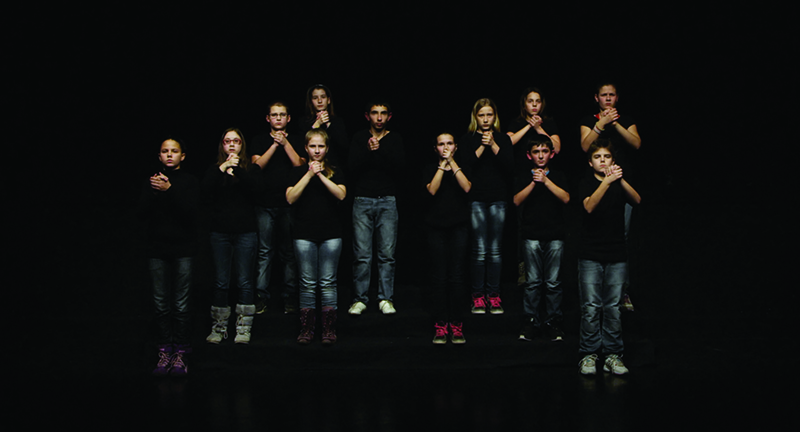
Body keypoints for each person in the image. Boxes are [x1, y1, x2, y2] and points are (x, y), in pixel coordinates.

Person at [577, 139, 641, 376]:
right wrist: (606, 181)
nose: (602, 161)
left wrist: (619, 180)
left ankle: (613, 355)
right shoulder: (586, 183)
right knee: (591, 307)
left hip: (616, 254)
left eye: (606, 157)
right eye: (597, 157)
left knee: (613, 308)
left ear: (613, 160)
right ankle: (589, 354)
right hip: (590, 254)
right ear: (590, 162)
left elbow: (637, 200)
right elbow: (589, 206)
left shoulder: (618, 184)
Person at [138, 138, 199, 376]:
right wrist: (154, 192)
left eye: (174, 151)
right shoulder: (151, 181)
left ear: (183, 156)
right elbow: (141, 213)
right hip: (157, 249)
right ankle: (164, 350)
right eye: (165, 151)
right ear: (159, 156)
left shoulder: (189, 181)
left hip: (183, 249)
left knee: (181, 305)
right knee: (161, 305)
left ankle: (181, 352)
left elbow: (191, 213)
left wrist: (170, 191)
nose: (170, 155)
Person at [580, 82, 642, 312]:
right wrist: (601, 124)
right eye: (603, 95)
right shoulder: (589, 120)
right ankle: (597, 290)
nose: (607, 98)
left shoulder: (625, 120)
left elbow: (636, 143)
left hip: (621, 184)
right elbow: (585, 146)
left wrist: (614, 123)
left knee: (622, 237)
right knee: (596, 232)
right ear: (596, 98)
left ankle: (621, 290)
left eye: (611, 95)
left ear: (617, 98)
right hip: (596, 184)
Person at [286, 130, 347, 344]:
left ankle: (329, 329)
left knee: (328, 282)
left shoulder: (335, 171)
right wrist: (310, 174)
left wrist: (321, 175)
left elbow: (341, 195)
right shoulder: (297, 172)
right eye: (313, 146)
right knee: (307, 283)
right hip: (304, 234)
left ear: (327, 148)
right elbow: (290, 198)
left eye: (321, 146)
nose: (317, 150)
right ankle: (307, 329)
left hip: (331, 234)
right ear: (306, 148)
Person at [203, 128, 260, 344]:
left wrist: (237, 169)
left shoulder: (251, 169)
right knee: (221, 281)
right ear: (222, 145)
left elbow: (256, 190)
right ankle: (219, 327)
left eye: (236, 141)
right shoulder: (214, 170)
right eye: (228, 141)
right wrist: (223, 168)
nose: (232, 145)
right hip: (220, 232)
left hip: (246, 231)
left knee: (245, 280)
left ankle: (244, 327)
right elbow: (205, 191)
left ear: (242, 145)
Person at [347, 101, 405, 315]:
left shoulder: (395, 138)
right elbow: (352, 167)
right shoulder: (359, 138)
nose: (379, 118)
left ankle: (385, 298)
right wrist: (368, 151)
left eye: (383, 113)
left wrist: (380, 151)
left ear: (389, 116)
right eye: (374, 113)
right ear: (367, 116)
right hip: (362, 199)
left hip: (387, 200)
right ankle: (360, 299)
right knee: (362, 255)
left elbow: (400, 168)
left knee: (387, 254)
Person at [458, 98, 513, 315]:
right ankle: (478, 296)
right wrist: (483, 146)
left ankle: (494, 295)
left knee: (495, 251)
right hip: (477, 199)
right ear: (476, 117)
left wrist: (494, 145)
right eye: (481, 115)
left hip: (498, 198)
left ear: (495, 117)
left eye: (489, 115)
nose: (486, 119)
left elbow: (509, 165)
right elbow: (466, 164)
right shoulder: (468, 139)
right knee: (479, 250)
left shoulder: (503, 138)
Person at [513, 137, 569, 342]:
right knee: (533, 282)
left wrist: (546, 181)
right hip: (531, 235)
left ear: (551, 154)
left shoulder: (559, 175)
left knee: (553, 283)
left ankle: (553, 322)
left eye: (544, 151)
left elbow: (566, 198)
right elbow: (516, 201)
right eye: (536, 152)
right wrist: (533, 183)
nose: (541, 156)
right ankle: (531, 322)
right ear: (529, 156)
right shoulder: (522, 176)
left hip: (555, 235)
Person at [250, 101, 304, 314]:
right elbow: (256, 166)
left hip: (289, 204)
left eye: (282, 115)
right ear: (268, 119)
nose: (278, 118)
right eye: (274, 115)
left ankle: (289, 297)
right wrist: (274, 145)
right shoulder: (259, 140)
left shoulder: (297, 140)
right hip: (264, 204)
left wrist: (286, 143)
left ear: (288, 118)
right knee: (264, 252)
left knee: (289, 252)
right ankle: (261, 297)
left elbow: (299, 164)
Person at [424, 133, 471, 344]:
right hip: (436, 228)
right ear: (435, 148)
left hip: (459, 227)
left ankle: (457, 324)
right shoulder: (430, 168)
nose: (445, 147)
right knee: (439, 278)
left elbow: (467, 187)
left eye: (449, 143)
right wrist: (442, 166)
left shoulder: (462, 166)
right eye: (441, 144)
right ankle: (441, 324)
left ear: (455, 147)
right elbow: (432, 190)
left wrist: (452, 163)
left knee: (457, 277)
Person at [507, 87, 562, 165]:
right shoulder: (516, 123)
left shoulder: (548, 123)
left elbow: (557, 149)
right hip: (521, 166)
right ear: (524, 105)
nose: (534, 104)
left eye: (538, 101)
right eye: (530, 101)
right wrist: (529, 125)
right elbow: (507, 143)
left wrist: (538, 128)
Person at [300, 84, 349, 167]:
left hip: (334, 166)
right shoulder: (304, 122)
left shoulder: (337, 121)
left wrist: (328, 124)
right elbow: (302, 147)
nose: (319, 101)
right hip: (311, 166)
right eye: (315, 98)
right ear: (311, 101)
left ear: (328, 100)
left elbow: (344, 146)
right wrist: (317, 124)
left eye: (323, 97)